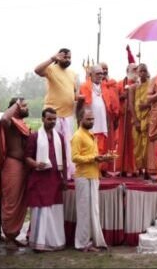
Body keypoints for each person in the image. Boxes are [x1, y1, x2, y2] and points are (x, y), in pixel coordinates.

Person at [25, 107, 68, 252]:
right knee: (41, 211)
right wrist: (36, 164)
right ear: (43, 119)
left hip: (55, 179)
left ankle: (54, 242)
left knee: (54, 211)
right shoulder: (34, 137)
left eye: (54, 119)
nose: (52, 122)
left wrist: (65, 179)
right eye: (49, 119)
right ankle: (39, 243)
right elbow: (26, 158)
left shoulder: (60, 137)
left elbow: (63, 159)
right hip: (39, 179)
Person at [35, 48, 79, 179]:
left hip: (69, 116)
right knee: (52, 145)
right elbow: (37, 70)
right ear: (59, 57)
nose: (67, 60)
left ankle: (66, 174)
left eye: (69, 57)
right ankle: (50, 172)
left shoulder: (73, 74)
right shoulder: (51, 69)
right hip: (53, 115)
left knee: (67, 146)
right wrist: (52, 58)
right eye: (65, 57)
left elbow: (75, 94)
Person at [71, 109, 111, 252]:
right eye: (88, 119)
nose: (91, 122)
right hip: (83, 176)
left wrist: (103, 158)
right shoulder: (78, 136)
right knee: (84, 211)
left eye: (93, 119)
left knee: (93, 210)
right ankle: (82, 243)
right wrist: (93, 159)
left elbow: (93, 155)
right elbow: (75, 157)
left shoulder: (91, 135)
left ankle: (92, 241)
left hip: (93, 175)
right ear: (81, 119)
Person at [0, 97, 31, 251]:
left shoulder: (23, 125)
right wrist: (17, 104)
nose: (27, 108)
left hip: (24, 167)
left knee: (22, 203)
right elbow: (4, 118)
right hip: (13, 165)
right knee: (11, 202)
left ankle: (14, 235)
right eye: (23, 106)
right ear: (16, 108)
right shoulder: (10, 123)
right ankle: (9, 236)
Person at [78, 65, 116, 176]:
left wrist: (109, 121)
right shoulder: (85, 86)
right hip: (90, 123)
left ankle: (101, 170)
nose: (100, 75)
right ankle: (93, 171)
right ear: (91, 75)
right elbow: (82, 106)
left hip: (102, 123)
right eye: (98, 73)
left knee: (102, 148)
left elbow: (108, 106)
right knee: (91, 148)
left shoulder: (104, 87)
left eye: (102, 73)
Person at [114, 63, 138, 176]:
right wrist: (123, 96)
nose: (136, 71)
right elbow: (114, 99)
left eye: (137, 69)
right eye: (133, 69)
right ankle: (122, 168)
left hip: (136, 117)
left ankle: (134, 169)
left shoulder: (140, 84)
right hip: (124, 117)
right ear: (127, 70)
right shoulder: (120, 84)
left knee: (135, 143)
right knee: (122, 142)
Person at [129, 63, 151, 179]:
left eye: (144, 71)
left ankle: (147, 169)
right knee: (137, 146)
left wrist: (147, 105)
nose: (142, 73)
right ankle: (139, 169)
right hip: (136, 119)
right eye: (140, 71)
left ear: (147, 72)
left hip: (147, 119)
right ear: (137, 73)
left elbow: (155, 101)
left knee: (147, 146)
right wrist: (136, 120)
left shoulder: (152, 85)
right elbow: (131, 105)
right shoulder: (133, 87)